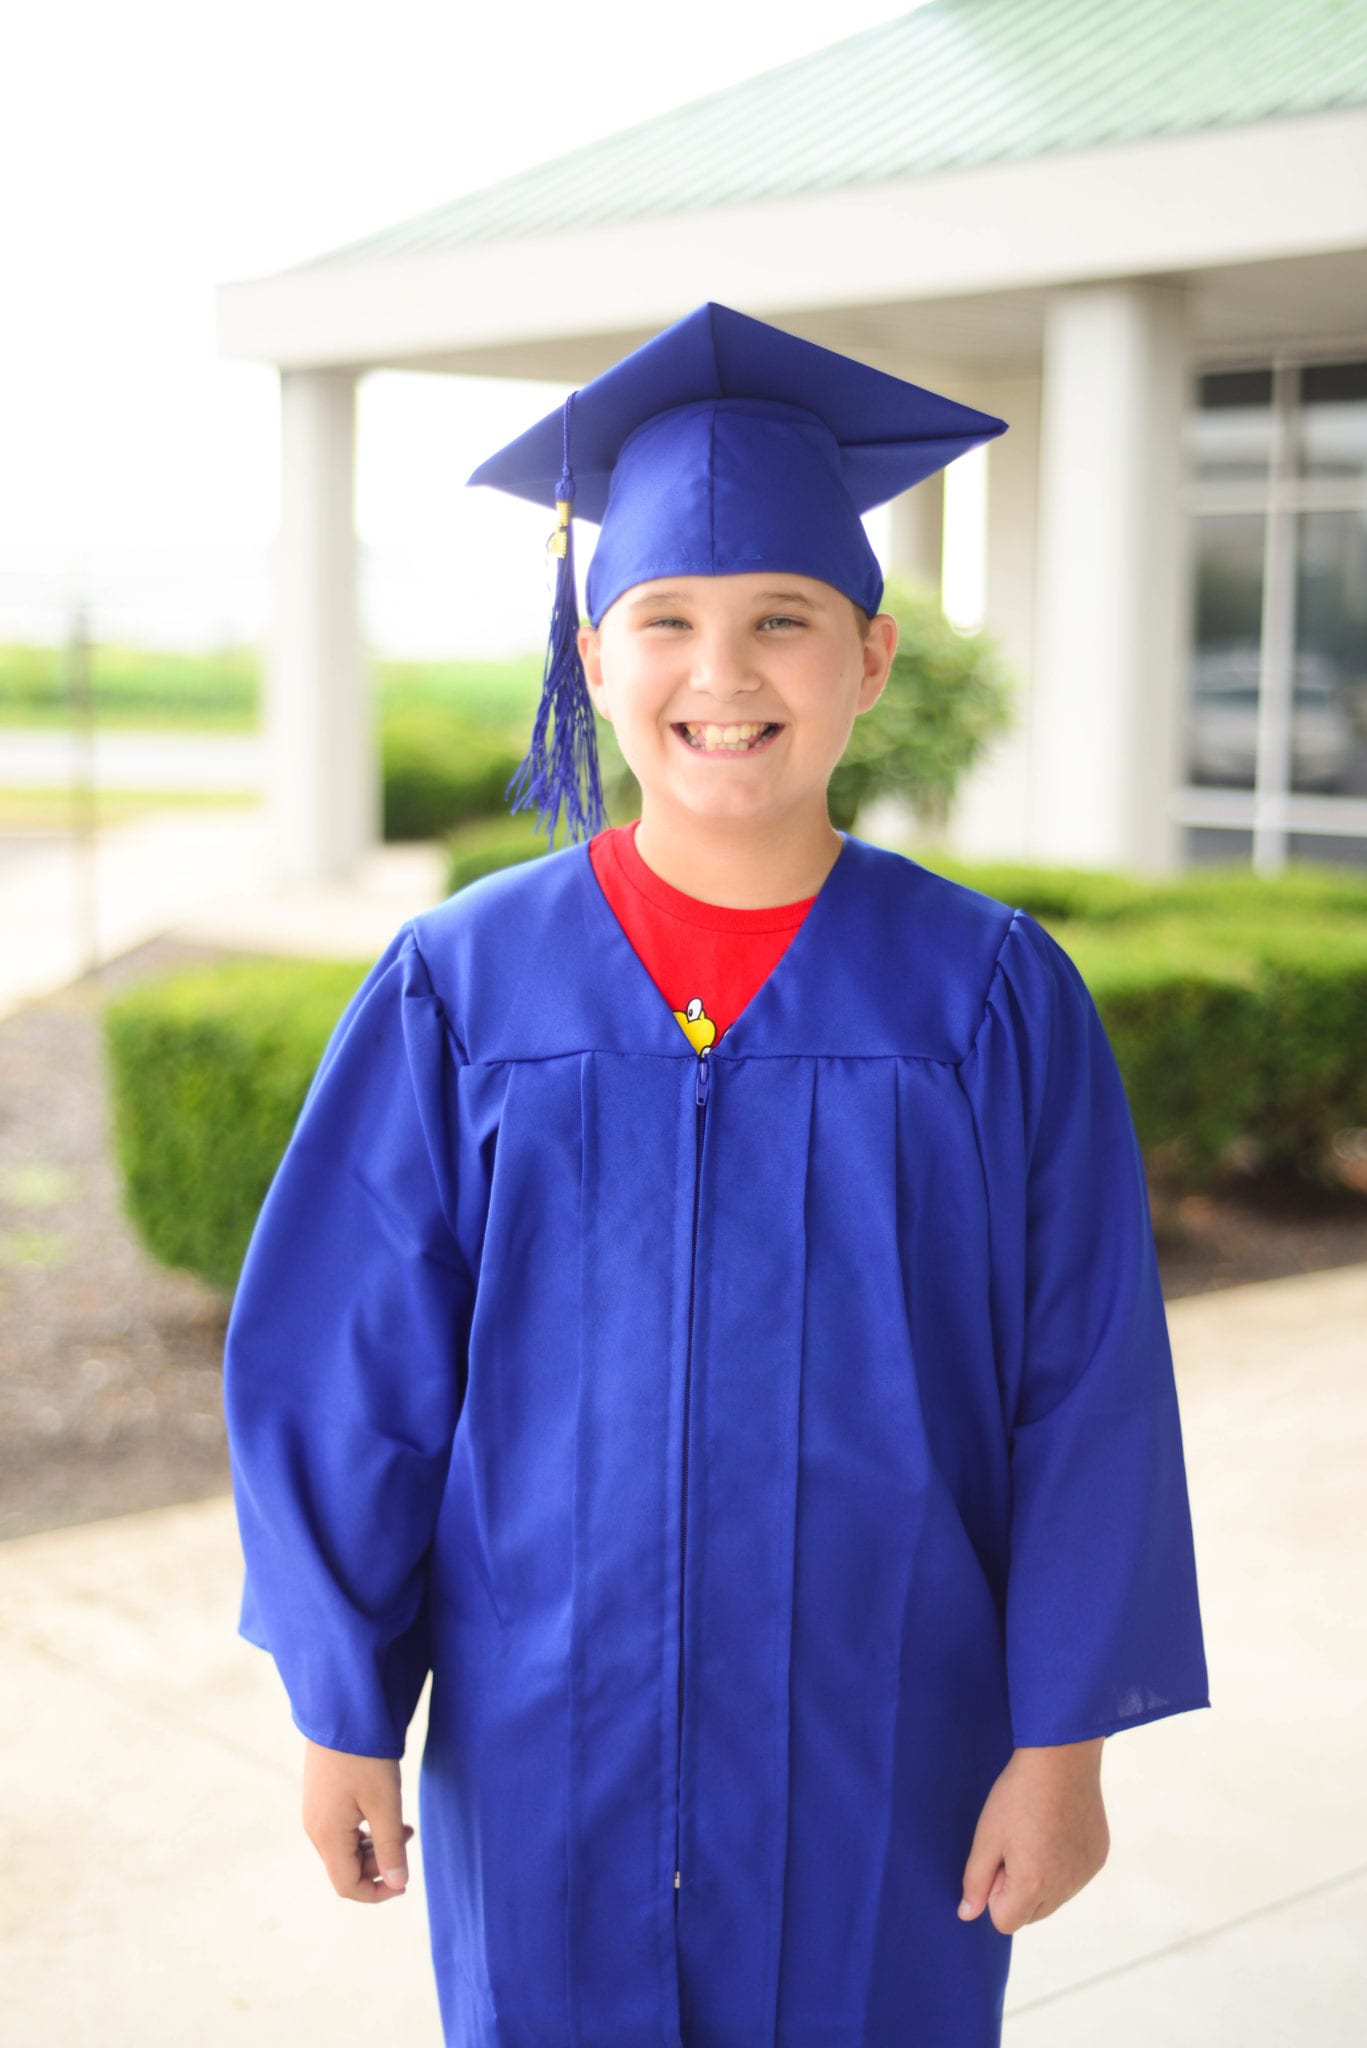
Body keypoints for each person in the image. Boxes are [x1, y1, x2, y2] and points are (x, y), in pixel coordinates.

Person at [222, 301, 1210, 2048]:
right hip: (548, 1736)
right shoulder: (464, 988)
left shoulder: (984, 993)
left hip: (885, 1736)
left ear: (873, 659)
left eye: (785, 623)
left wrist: (1064, 1741)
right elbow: (347, 1370)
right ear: (593, 660)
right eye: (666, 623)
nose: (725, 675)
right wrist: (342, 1705)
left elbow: (1087, 1386)